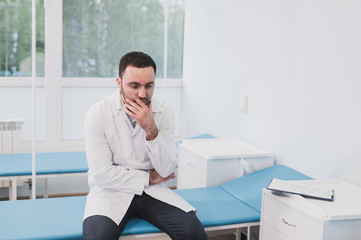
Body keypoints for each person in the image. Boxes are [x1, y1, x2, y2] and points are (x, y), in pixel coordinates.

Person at [82, 52, 207, 240]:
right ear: (119, 82)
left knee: (193, 232)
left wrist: (151, 130)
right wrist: (149, 177)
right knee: (97, 237)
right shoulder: (98, 114)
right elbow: (102, 174)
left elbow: (166, 169)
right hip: (110, 192)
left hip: (152, 193)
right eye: (134, 86)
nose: (142, 94)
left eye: (149, 86)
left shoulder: (164, 112)